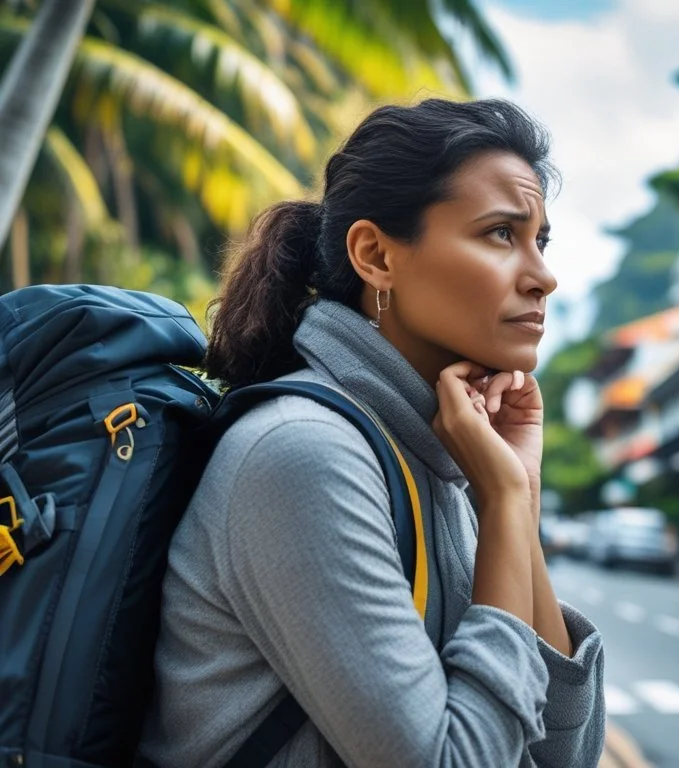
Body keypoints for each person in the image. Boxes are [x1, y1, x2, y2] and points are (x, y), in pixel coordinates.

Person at [137, 99, 605, 767]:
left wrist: (518, 500)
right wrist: (503, 502)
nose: (543, 277)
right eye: (501, 233)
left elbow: (565, 756)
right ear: (376, 255)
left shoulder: (435, 455)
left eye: (541, 241)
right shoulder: (303, 454)